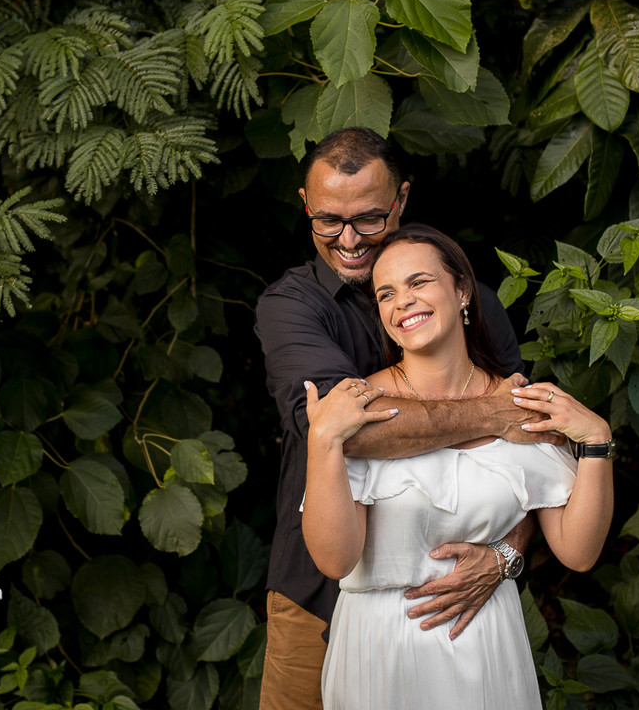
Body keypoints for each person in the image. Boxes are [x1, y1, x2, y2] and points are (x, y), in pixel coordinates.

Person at [254, 128, 563, 710]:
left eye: (369, 218)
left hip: (458, 595)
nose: (349, 240)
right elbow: (345, 436)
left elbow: (532, 456)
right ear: (304, 206)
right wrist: (493, 413)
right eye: (328, 220)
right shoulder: (291, 307)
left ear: (401, 200)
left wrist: (506, 556)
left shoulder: (468, 298)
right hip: (317, 588)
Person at [301, 224, 615, 709]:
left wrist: (597, 442)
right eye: (386, 293)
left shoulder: (518, 403)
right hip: (380, 645)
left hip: (486, 639)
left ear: (462, 291)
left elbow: (579, 551)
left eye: (419, 282)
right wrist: (323, 439)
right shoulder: (359, 408)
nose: (402, 300)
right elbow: (335, 559)